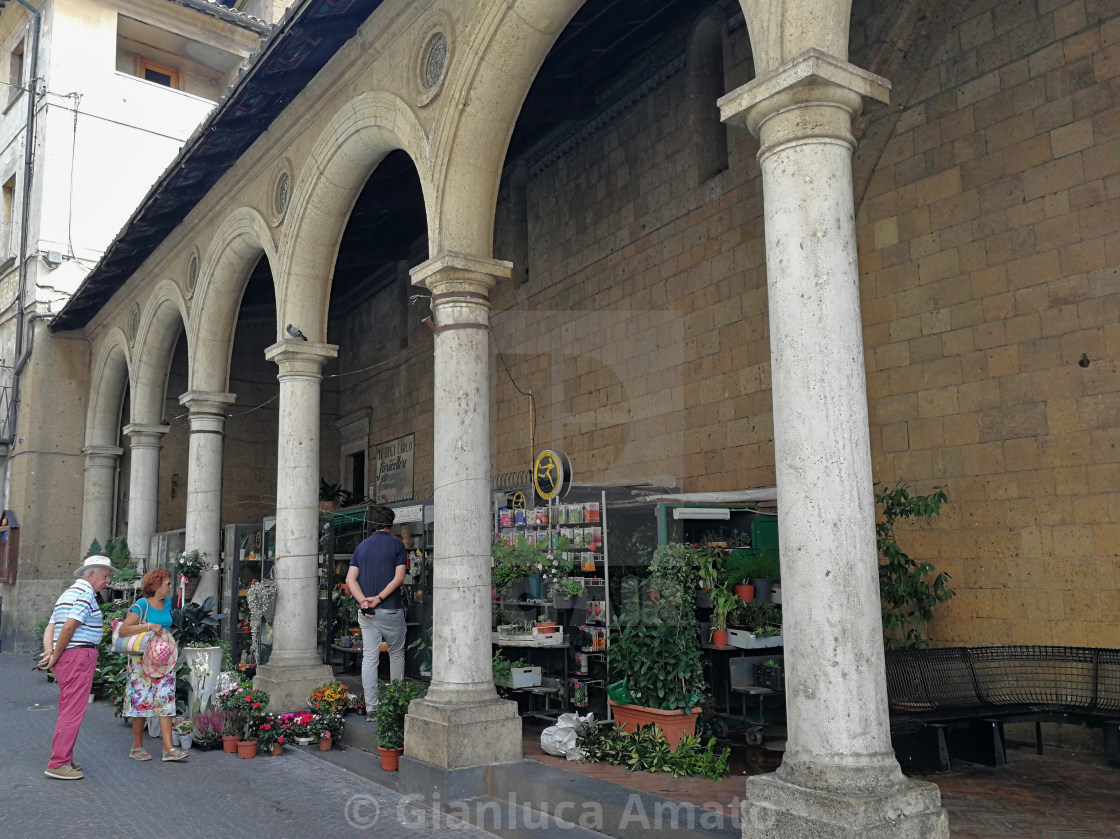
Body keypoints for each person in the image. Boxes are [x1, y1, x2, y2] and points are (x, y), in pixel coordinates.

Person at [41, 555, 116, 780]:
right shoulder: (86, 595)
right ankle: (59, 762)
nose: (107, 581)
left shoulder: (68, 593)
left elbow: (52, 626)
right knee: (73, 710)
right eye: (105, 576)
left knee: (67, 707)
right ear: (90, 574)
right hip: (79, 655)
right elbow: (70, 626)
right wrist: (54, 655)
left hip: (69, 656)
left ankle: (64, 756)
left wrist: (50, 652)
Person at [116, 568, 188, 762]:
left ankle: (169, 749)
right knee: (141, 701)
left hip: (162, 658)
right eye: (167, 583)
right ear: (155, 585)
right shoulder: (141, 605)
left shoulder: (167, 604)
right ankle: (137, 746)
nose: (170, 587)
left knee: (166, 701)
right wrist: (149, 626)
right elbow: (124, 630)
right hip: (141, 660)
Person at [346, 504, 407, 712]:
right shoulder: (397, 546)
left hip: (367, 613)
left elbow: (350, 579)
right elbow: (399, 578)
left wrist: (364, 600)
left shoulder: (361, 547)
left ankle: (371, 708)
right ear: (390, 524)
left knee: (370, 658)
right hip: (390, 609)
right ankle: (395, 705)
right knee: (396, 655)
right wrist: (379, 598)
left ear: (373, 524)